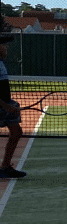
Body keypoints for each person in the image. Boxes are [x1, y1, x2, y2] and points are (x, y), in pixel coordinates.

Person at [0, 34, 24, 179]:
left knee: (16, 132)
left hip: (6, 105)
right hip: (3, 106)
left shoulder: (1, 63)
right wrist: (6, 106)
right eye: (4, 45)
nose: (6, 48)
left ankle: (5, 167)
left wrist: (10, 104)